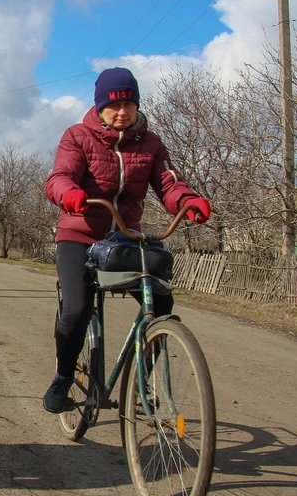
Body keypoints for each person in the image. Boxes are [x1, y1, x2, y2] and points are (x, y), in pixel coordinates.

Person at [42, 67, 210, 413]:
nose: (122, 111)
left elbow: (168, 183)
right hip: (80, 234)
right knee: (76, 309)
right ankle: (62, 379)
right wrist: (69, 193)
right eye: (114, 105)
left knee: (162, 304)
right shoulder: (77, 136)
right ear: (100, 107)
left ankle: (141, 380)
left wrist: (187, 200)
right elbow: (58, 177)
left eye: (129, 103)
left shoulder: (150, 143)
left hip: (124, 237)